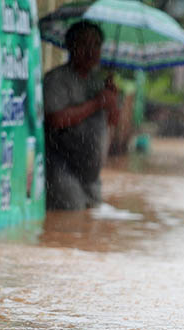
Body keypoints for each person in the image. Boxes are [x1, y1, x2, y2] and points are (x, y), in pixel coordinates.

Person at [43, 20, 119, 210]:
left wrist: (112, 101)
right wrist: (96, 103)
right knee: (69, 221)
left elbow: (113, 122)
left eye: (96, 45)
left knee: (89, 225)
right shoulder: (57, 79)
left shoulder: (99, 81)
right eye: (84, 44)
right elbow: (56, 119)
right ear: (71, 46)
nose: (90, 50)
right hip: (60, 169)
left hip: (91, 177)